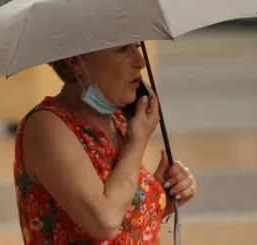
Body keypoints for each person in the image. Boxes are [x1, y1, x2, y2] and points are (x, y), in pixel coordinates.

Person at [14, 44, 197, 244]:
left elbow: (122, 223)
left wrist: (158, 200)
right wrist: (137, 141)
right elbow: (105, 222)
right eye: (122, 49)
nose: (140, 61)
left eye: (136, 46)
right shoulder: (46, 126)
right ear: (76, 61)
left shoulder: (117, 120)